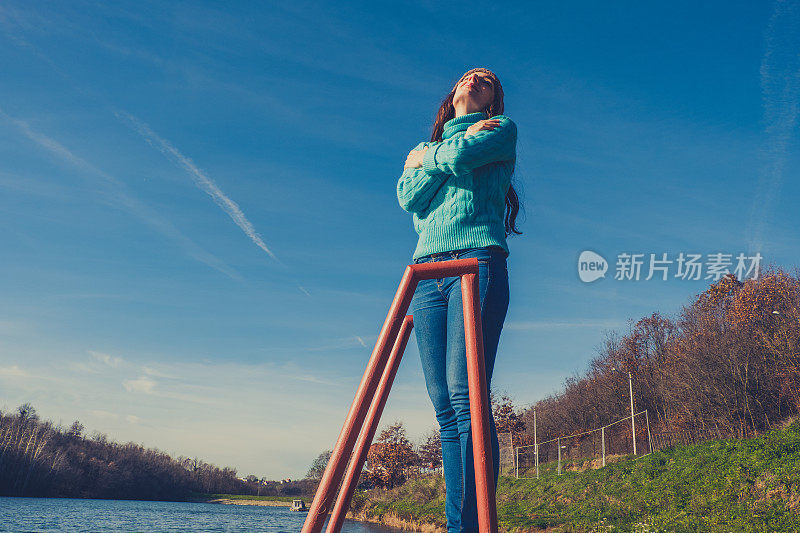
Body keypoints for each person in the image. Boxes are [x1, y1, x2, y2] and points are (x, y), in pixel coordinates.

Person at [396, 67, 521, 533]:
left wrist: (427, 160)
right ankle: (459, 525)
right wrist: (441, 159)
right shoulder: (432, 148)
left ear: (493, 101)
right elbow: (408, 199)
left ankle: (467, 528)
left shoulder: (500, 130)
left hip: (477, 261)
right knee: (443, 405)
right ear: (451, 95)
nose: (474, 80)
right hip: (427, 274)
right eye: (468, 77)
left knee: (466, 397)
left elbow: (459, 158)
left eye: (486, 80)